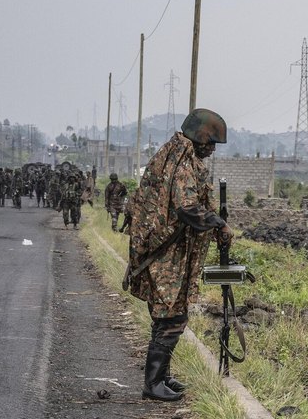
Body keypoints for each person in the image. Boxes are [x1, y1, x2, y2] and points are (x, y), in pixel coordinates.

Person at [126, 108, 233, 402]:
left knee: (166, 315)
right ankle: (153, 383)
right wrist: (218, 223)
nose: (211, 150)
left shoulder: (176, 155)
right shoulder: (182, 163)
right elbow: (186, 208)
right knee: (172, 317)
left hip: (165, 252)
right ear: (199, 138)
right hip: (165, 255)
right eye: (210, 143)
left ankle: (162, 377)